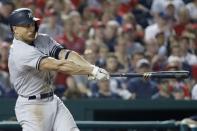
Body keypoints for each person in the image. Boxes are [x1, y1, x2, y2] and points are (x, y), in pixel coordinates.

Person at [8, 8, 110, 131]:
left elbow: (66, 54)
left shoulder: (42, 39)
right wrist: (90, 71)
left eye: (32, 24)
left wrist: (91, 67)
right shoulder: (20, 51)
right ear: (15, 29)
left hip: (52, 100)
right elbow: (58, 65)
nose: (31, 28)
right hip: (31, 107)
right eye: (25, 26)